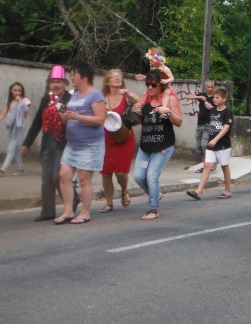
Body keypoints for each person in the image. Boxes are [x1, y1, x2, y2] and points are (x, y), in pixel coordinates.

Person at [21, 66, 78, 221]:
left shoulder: (70, 99)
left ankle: (72, 201)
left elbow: (71, 120)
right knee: (46, 178)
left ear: (66, 84)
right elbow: (37, 123)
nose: (55, 85)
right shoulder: (45, 100)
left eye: (59, 81)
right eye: (52, 82)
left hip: (64, 142)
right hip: (47, 143)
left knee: (56, 176)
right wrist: (27, 143)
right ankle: (47, 212)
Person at [54, 62, 107, 225]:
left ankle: (84, 212)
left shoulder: (95, 95)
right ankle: (68, 211)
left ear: (84, 77)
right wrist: (61, 115)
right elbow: (67, 119)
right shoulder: (74, 95)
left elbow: (100, 120)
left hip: (90, 145)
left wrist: (78, 117)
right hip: (72, 144)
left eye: (74, 75)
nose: (71, 78)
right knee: (64, 175)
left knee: (84, 178)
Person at [132, 70, 183, 219]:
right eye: (147, 84)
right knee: (138, 176)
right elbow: (144, 122)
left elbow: (179, 122)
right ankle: (156, 194)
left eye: (153, 84)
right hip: (146, 146)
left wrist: (167, 112)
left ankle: (153, 208)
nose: (150, 87)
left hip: (163, 146)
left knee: (151, 176)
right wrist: (136, 112)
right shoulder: (146, 100)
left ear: (161, 85)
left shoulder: (170, 99)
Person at [99, 69, 138, 213]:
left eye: (119, 77)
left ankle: (124, 190)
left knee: (121, 172)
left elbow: (142, 103)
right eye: (114, 77)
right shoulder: (101, 97)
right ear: (107, 81)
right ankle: (109, 203)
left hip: (124, 137)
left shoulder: (126, 96)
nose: (118, 78)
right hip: (106, 138)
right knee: (106, 172)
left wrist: (129, 94)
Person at [186, 87, 234, 200]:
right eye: (214, 97)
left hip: (223, 144)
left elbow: (226, 128)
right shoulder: (212, 110)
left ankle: (227, 190)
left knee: (224, 166)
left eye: (217, 98)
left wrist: (216, 139)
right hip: (211, 144)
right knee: (207, 165)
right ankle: (199, 192)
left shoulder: (227, 112)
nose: (215, 99)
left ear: (224, 99)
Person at [0, 82, 32, 177]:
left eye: (19, 90)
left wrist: (20, 102)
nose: (17, 92)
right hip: (10, 126)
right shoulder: (9, 101)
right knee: (14, 148)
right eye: (15, 90)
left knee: (11, 148)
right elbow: (3, 113)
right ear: (11, 91)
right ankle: (21, 168)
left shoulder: (25, 100)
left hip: (18, 127)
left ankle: (2, 169)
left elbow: (26, 113)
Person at [135, 47, 175, 113]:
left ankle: (164, 108)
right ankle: (140, 108)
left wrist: (166, 81)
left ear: (158, 59)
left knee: (166, 93)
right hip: (157, 86)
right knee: (145, 94)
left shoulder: (165, 69)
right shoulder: (153, 68)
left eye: (151, 60)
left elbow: (172, 78)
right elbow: (153, 78)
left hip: (165, 86)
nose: (150, 62)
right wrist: (144, 77)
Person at [185, 79, 215, 166]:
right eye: (208, 87)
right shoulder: (202, 95)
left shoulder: (215, 98)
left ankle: (211, 163)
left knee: (204, 144)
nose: (210, 89)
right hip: (200, 124)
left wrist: (211, 107)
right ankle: (205, 165)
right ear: (205, 87)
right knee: (198, 147)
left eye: (211, 87)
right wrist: (200, 97)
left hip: (208, 124)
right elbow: (188, 96)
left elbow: (218, 109)